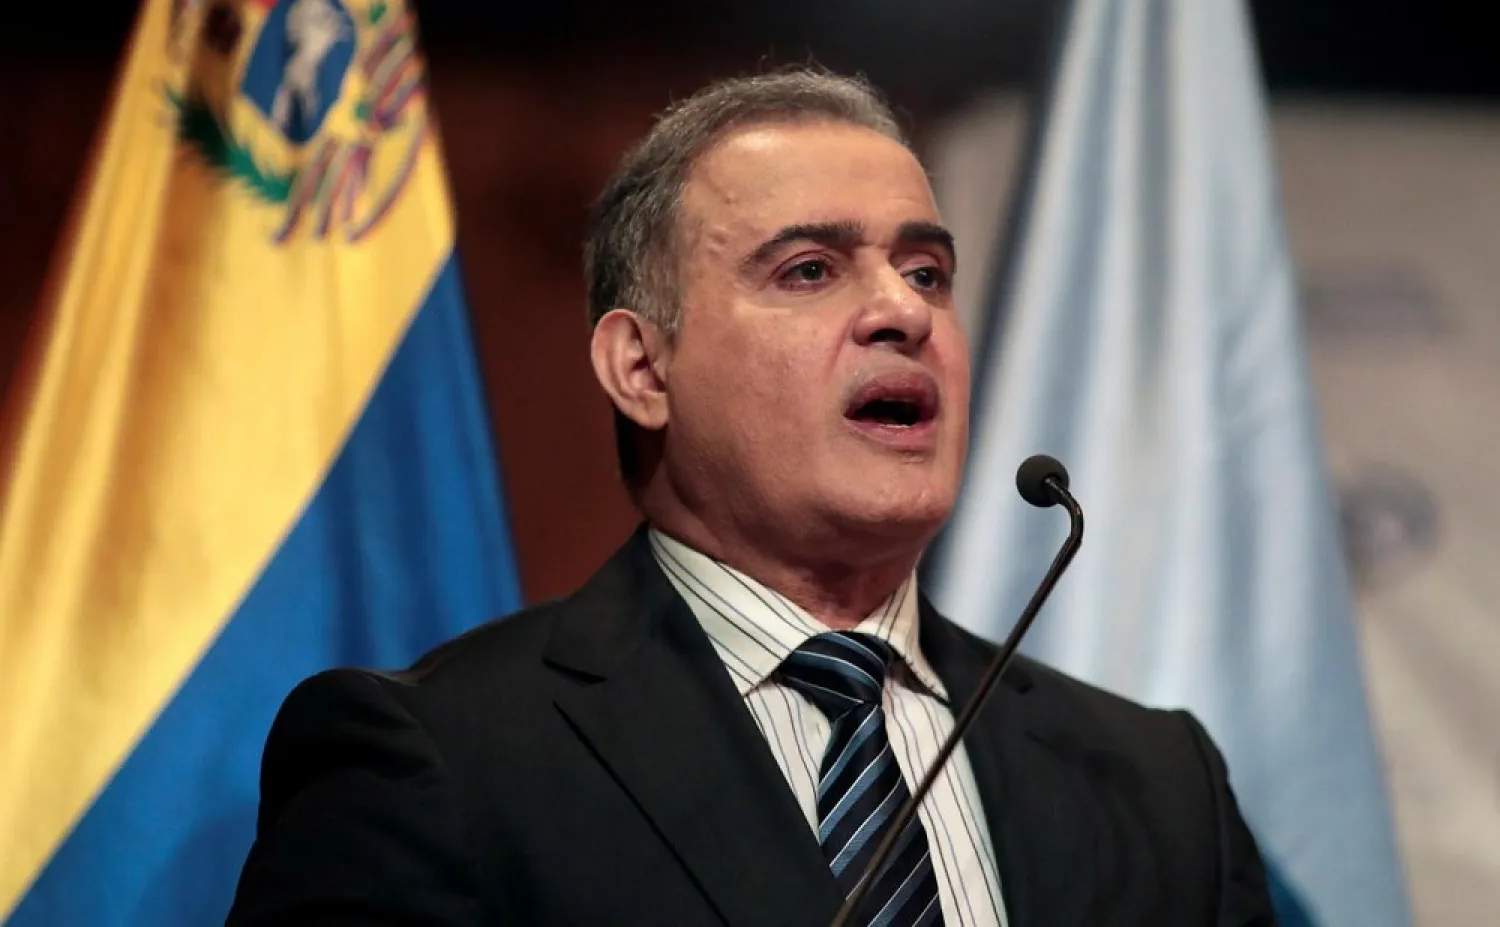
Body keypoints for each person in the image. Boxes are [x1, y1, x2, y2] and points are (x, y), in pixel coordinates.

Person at [226, 68, 1277, 926]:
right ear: (642, 369)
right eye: (812, 270)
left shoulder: (1156, 785)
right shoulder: (442, 761)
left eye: (926, 272)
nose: (900, 313)